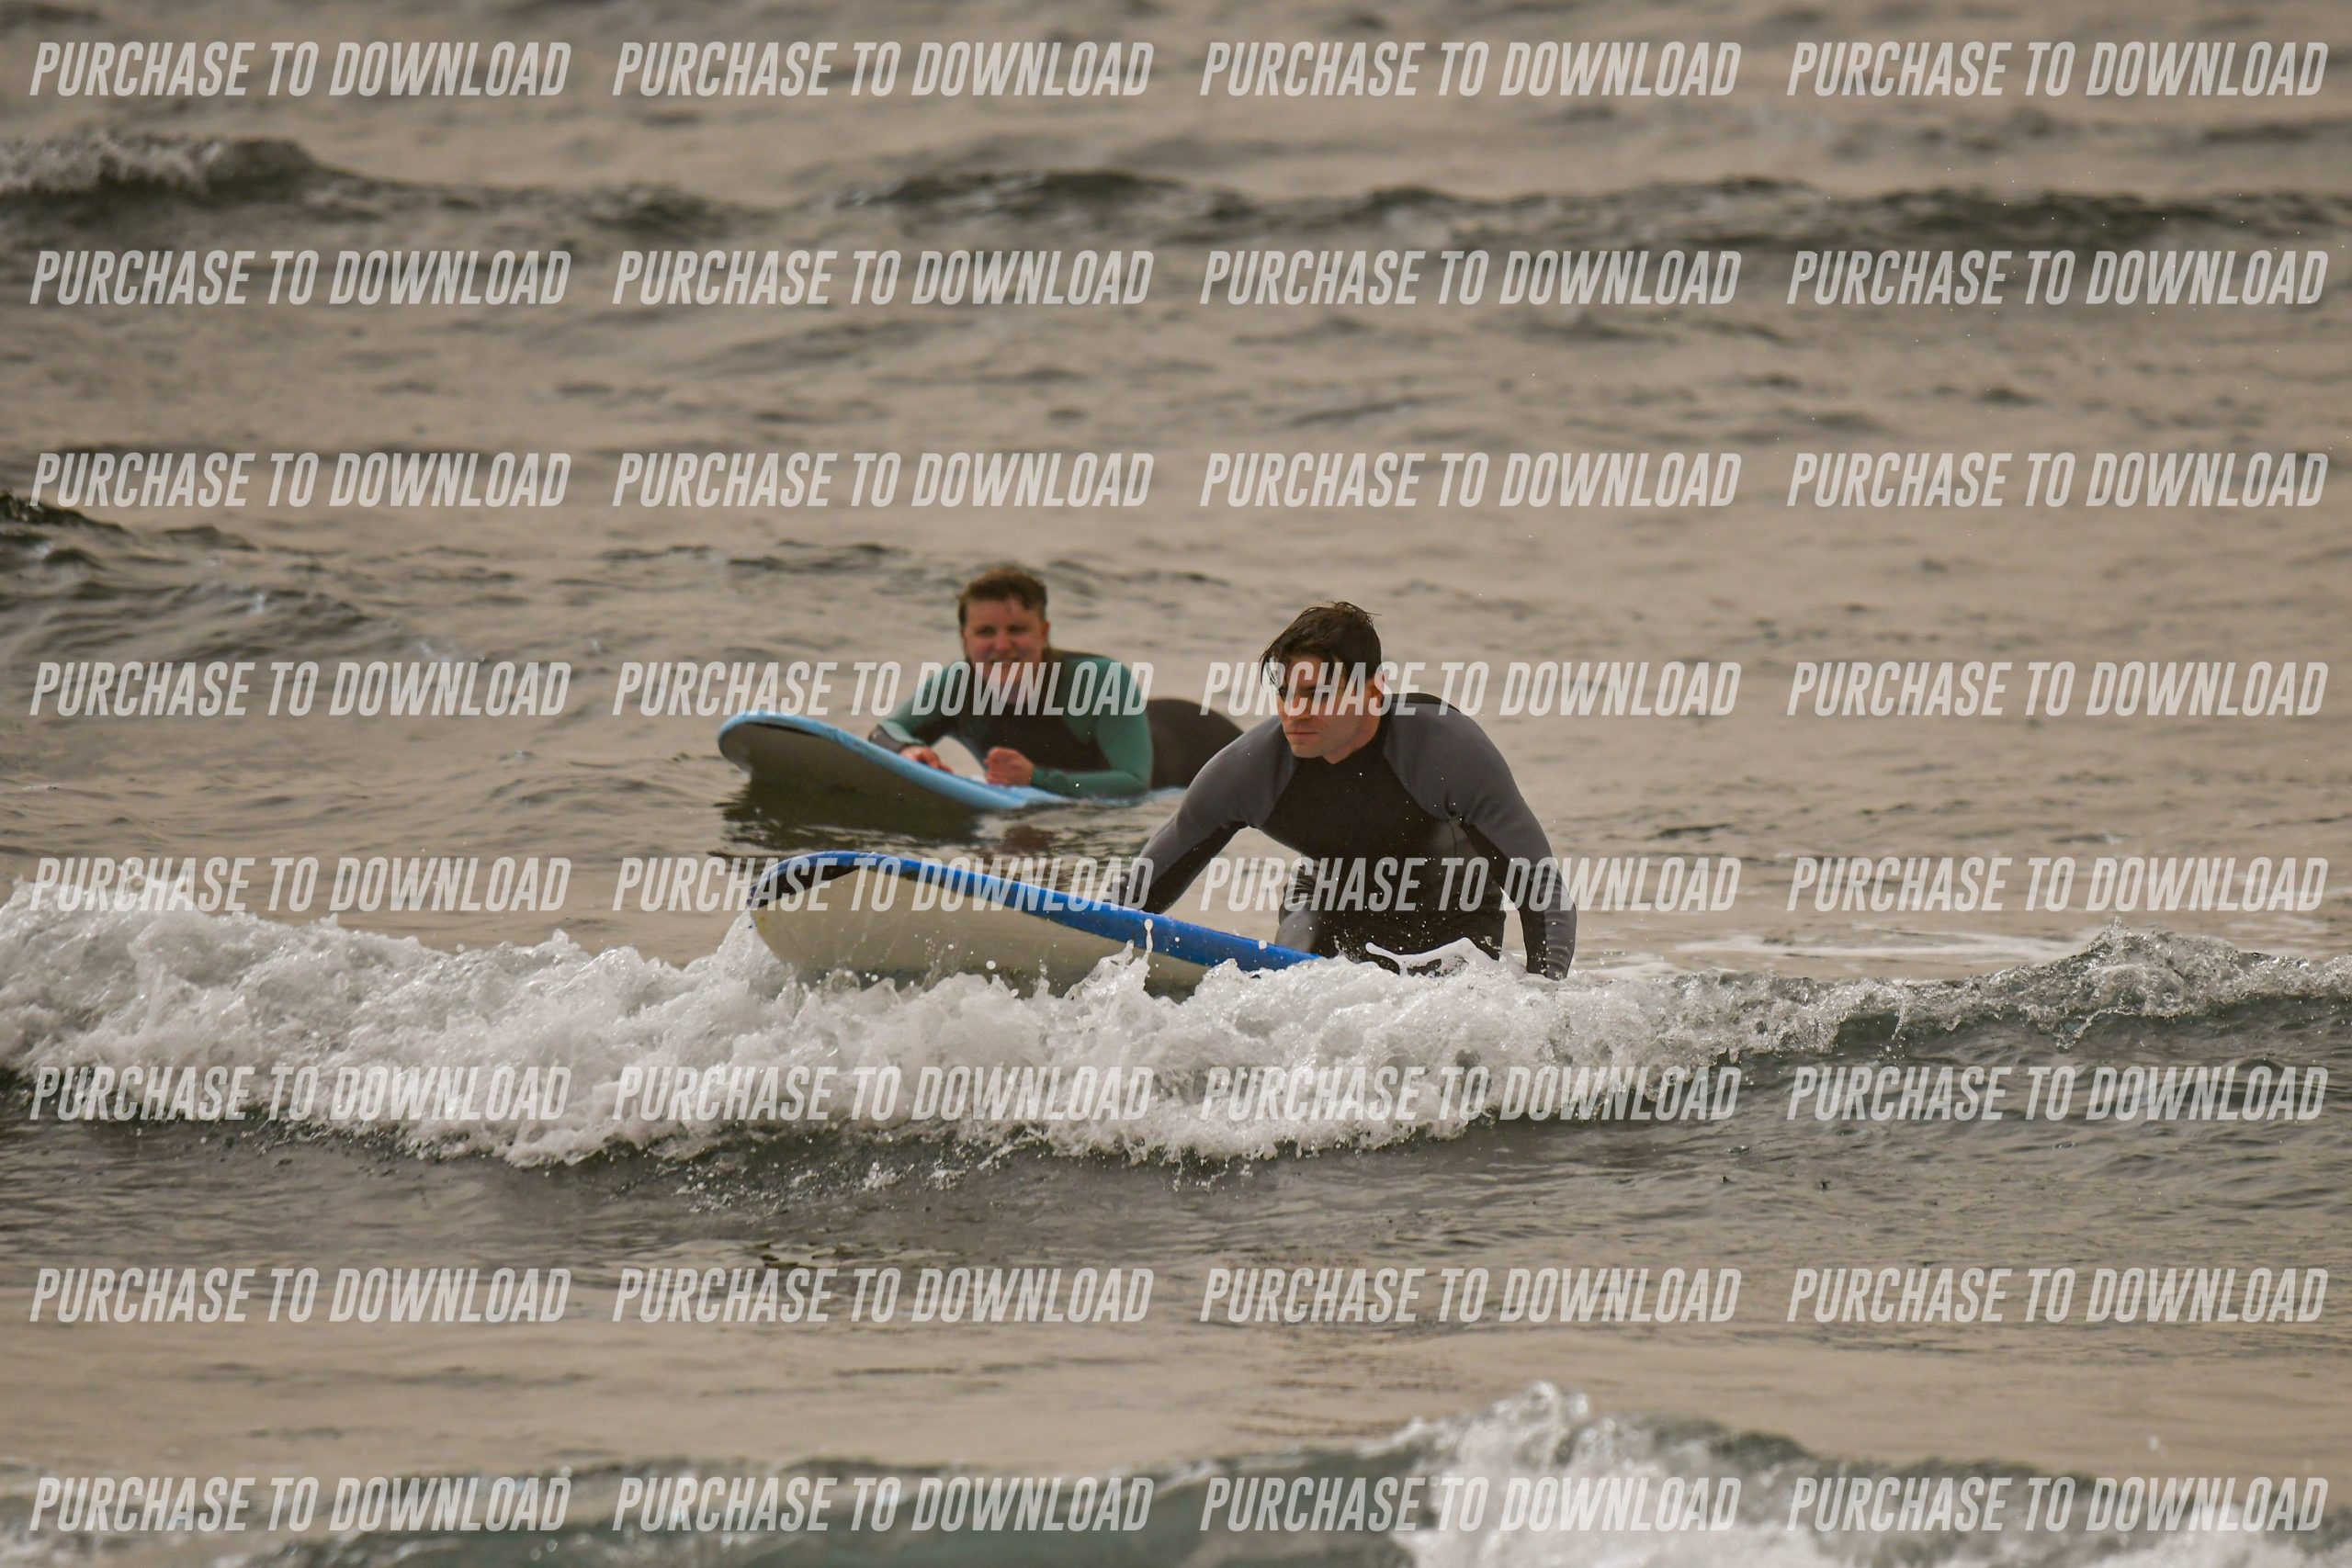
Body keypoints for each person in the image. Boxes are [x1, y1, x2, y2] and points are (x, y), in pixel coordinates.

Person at [1121, 603, 1575, 976]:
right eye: (1285, 692)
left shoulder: (1445, 751)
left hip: (1454, 912)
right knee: (1295, 975)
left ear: (1373, 693)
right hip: (1329, 902)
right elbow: (1136, 894)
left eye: (1317, 694)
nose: (1295, 712)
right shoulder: (1249, 771)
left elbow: (1545, 896)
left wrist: (1546, 996)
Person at [871, 567, 1154, 798]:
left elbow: (1135, 782)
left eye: (1017, 630)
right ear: (965, 639)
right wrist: (907, 749)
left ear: (1044, 633)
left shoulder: (1100, 679)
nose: (1003, 645)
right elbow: (885, 732)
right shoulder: (957, 685)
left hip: (1173, 756)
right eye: (985, 632)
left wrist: (1036, 778)